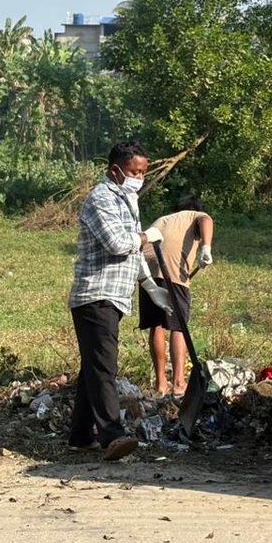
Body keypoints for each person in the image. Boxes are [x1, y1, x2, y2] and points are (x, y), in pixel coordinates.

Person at [68, 141, 173, 460]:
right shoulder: (101, 198)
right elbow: (117, 244)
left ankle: (80, 436)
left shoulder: (126, 199)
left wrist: (150, 284)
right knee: (104, 367)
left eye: (143, 171)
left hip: (114, 294)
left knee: (93, 368)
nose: (139, 177)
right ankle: (112, 435)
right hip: (95, 293)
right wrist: (147, 237)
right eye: (134, 172)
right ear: (115, 170)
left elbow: (134, 252)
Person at [139, 196, 215, 397]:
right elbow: (206, 220)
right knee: (178, 326)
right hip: (172, 269)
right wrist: (206, 248)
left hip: (145, 270)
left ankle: (161, 384)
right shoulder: (194, 215)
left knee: (156, 325)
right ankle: (179, 382)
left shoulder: (164, 219)